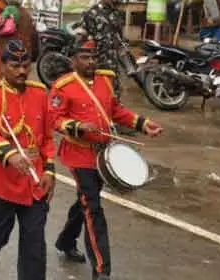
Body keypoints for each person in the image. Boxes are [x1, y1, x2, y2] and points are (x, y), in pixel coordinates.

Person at [50, 39, 163, 280]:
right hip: (79, 155)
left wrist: (143, 124)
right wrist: (78, 126)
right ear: (73, 60)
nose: (90, 62)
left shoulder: (105, 80)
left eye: (93, 57)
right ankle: (102, 269)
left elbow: (116, 111)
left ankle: (65, 241)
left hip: (103, 154)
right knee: (93, 208)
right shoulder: (63, 86)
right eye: (84, 57)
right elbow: (54, 120)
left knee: (85, 201)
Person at [0, 40, 55, 280]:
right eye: (15, 65)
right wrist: (10, 154)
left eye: (26, 65)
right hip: (0, 184)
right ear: (3, 66)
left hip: (34, 185)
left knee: (34, 249)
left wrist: (49, 170)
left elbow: (47, 138)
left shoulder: (39, 93)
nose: (22, 71)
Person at [81, 0, 126, 73]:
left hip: (113, 56)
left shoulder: (116, 13)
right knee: (97, 81)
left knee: (112, 82)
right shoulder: (91, 13)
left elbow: (119, 32)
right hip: (97, 56)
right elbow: (85, 35)